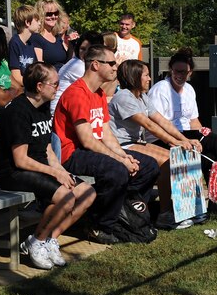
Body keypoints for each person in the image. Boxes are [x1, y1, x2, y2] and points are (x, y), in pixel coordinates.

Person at [53, 45, 160, 244]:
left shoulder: (99, 93)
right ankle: (99, 225)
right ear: (95, 65)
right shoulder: (77, 93)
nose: (115, 67)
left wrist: (123, 154)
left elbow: (105, 132)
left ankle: (127, 216)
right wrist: (120, 160)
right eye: (111, 63)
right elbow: (86, 139)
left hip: (90, 150)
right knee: (117, 170)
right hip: (71, 154)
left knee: (149, 166)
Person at [0, 62, 96, 269]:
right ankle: (37, 241)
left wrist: (60, 170)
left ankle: (49, 239)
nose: (58, 88)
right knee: (66, 198)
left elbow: (47, 148)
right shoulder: (18, 112)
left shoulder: (43, 107)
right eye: (55, 84)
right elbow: (20, 160)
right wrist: (53, 173)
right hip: (14, 172)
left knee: (87, 193)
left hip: (38, 166)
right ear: (40, 86)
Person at [108, 59, 204, 230]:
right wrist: (175, 142)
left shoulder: (142, 97)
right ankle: (165, 213)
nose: (149, 79)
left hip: (134, 142)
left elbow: (162, 121)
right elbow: (149, 125)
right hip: (121, 145)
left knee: (174, 156)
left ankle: (187, 208)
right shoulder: (123, 97)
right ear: (134, 77)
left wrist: (183, 140)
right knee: (167, 160)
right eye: (145, 75)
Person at [147, 48, 217, 190]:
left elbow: (194, 122)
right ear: (170, 70)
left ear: (190, 72)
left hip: (186, 133)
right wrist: (182, 140)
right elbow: (159, 125)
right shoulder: (160, 89)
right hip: (165, 137)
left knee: (210, 156)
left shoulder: (189, 89)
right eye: (176, 71)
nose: (179, 75)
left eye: (184, 72)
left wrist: (203, 133)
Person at [50, 31, 104, 160]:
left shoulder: (77, 63)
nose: (84, 53)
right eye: (82, 49)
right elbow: (100, 90)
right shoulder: (78, 66)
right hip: (61, 119)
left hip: (73, 110)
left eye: (89, 50)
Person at [30, 0, 72, 71]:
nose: (53, 17)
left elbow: (67, 61)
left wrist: (71, 44)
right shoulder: (36, 38)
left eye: (56, 13)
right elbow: (40, 68)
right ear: (40, 15)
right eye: (49, 14)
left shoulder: (57, 36)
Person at [8, 4, 40, 88]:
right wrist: (35, 86)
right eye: (37, 20)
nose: (40, 23)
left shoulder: (30, 43)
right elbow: (16, 77)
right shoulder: (14, 43)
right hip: (21, 88)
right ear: (27, 22)